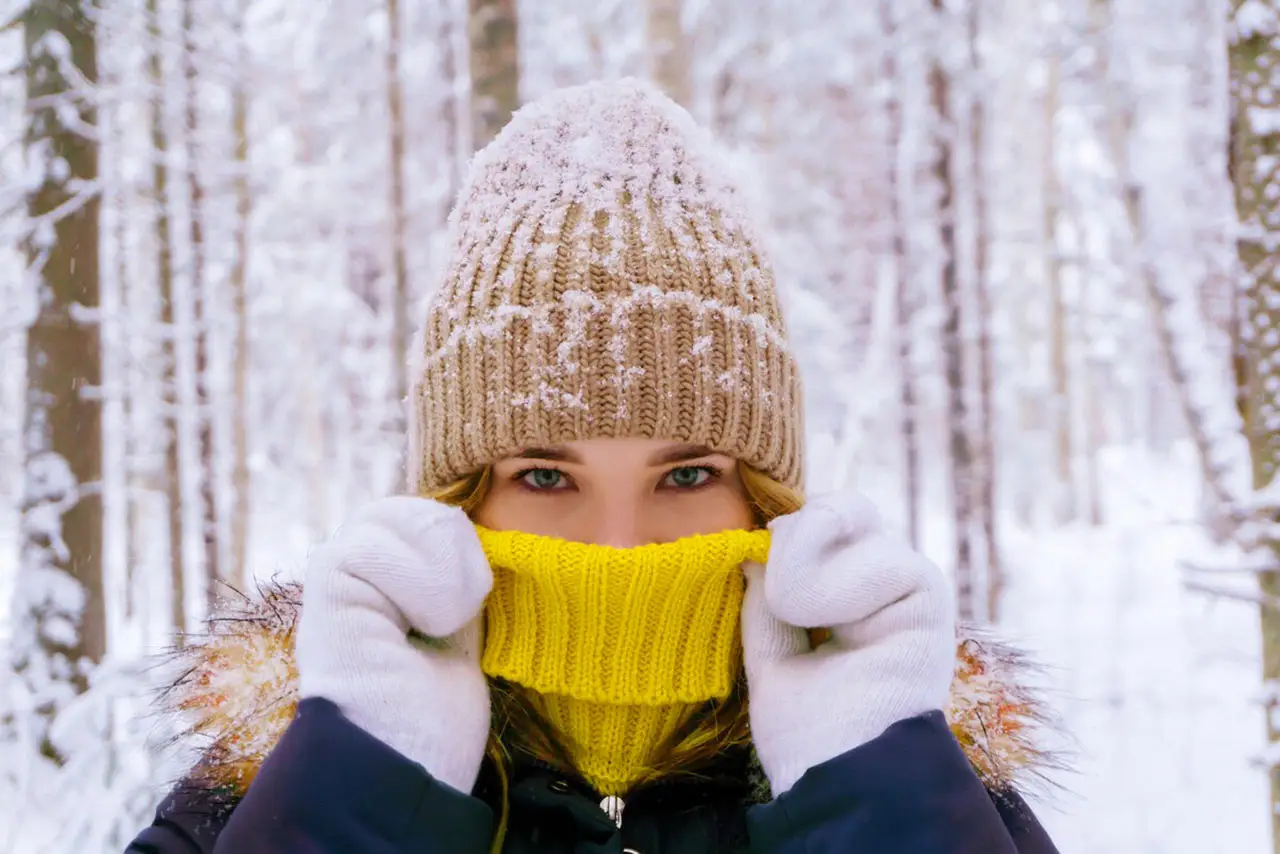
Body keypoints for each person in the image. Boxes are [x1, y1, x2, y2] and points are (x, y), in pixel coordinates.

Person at [127, 79, 1061, 854]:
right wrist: (363, 790)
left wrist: (874, 796)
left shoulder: (908, 775)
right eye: (545, 477)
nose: (620, 546)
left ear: (764, 495)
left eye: (686, 476)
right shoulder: (278, 785)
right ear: (458, 498)